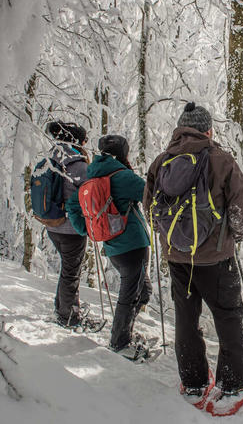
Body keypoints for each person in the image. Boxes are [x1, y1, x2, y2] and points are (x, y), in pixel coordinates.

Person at [143, 102, 243, 399]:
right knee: (228, 316)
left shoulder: (161, 162)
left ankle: (193, 381)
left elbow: (150, 210)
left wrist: (170, 238)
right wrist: (235, 237)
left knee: (186, 317)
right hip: (216, 258)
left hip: (177, 256)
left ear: (180, 130)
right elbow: (240, 209)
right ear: (208, 131)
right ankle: (232, 382)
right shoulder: (221, 160)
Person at [67, 135, 153, 360]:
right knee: (131, 294)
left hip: (113, 247)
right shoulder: (123, 176)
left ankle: (124, 333)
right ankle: (119, 342)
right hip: (133, 244)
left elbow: (73, 204)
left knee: (143, 292)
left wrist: (87, 228)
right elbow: (151, 196)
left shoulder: (93, 175)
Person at [43, 121, 90, 328]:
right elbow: (90, 192)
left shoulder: (51, 159)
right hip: (72, 228)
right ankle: (69, 316)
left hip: (52, 224)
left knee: (67, 269)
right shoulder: (77, 165)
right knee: (72, 272)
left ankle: (62, 308)